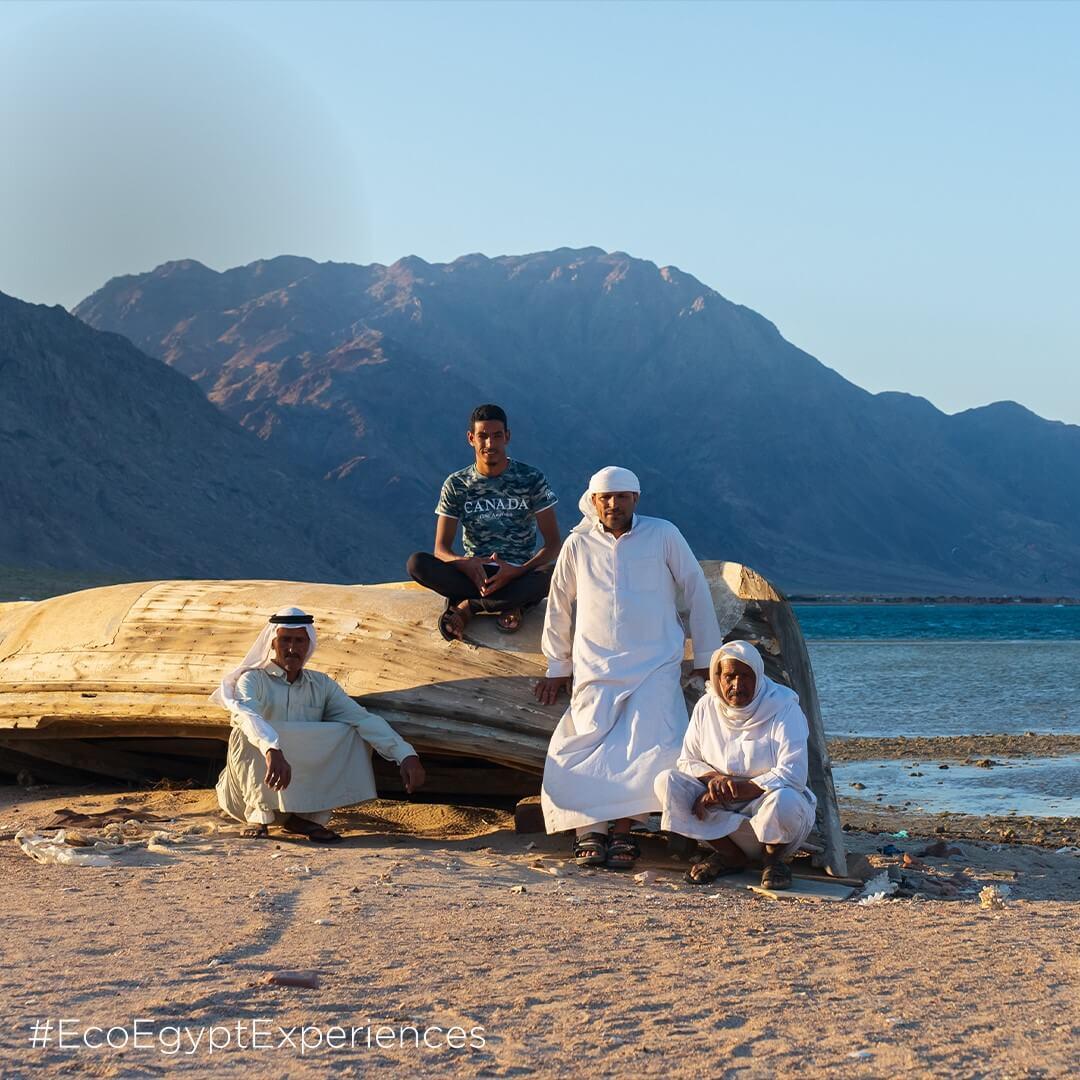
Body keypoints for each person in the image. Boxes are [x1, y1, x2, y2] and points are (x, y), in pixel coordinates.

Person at [534, 466, 722, 870]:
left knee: (655, 744)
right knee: (582, 745)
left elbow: (695, 587)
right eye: (605, 497)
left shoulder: (663, 534)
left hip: (656, 662)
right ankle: (591, 830)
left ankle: (625, 830)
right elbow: (559, 602)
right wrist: (556, 665)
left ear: (636, 498)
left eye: (621, 496)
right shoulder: (578, 543)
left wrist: (708, 657)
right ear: (594, 500)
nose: (613, 504)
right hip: (594, 665)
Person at [211, 607, 426, 842]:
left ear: (308, 644)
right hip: (245, 795)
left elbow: (362, 718)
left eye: (299, 641)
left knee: (350, 731)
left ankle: (308, 819)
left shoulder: (321, 685)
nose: (292, 648)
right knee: (248, 729)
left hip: (300, 793)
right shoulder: (252, 680)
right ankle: (259, 816)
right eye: (285, 640)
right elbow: (247, 715)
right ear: (273, 643)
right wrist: (272, 749)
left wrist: (406, 754)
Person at [654, 640, 817, 890]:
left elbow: (793, 774)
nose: (737, 685)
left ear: (758, 677)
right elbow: (687, 761)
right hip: (721, 824)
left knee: (786, 799)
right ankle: (730, 855)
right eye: (730, 676)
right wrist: (713, 781)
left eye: (745, 676)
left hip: (769, 813)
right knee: (667, 782)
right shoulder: (706, 707)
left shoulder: (783, 707)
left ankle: (773, 860)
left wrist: (733, 793)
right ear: (718, 678)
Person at [407, 403, 561, 641]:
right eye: (483, 436)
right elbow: (441, 549)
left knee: (558, 573)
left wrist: (516, 571)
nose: (490, 444)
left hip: (519, 573)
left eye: (497, 436)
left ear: (507, 437)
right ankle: (513, 604)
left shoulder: (531, 479)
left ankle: (470, 607)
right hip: (473, 575)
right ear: (471, 438)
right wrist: (466, 564)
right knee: (416, 563)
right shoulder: (456, 484)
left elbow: (553, 544)